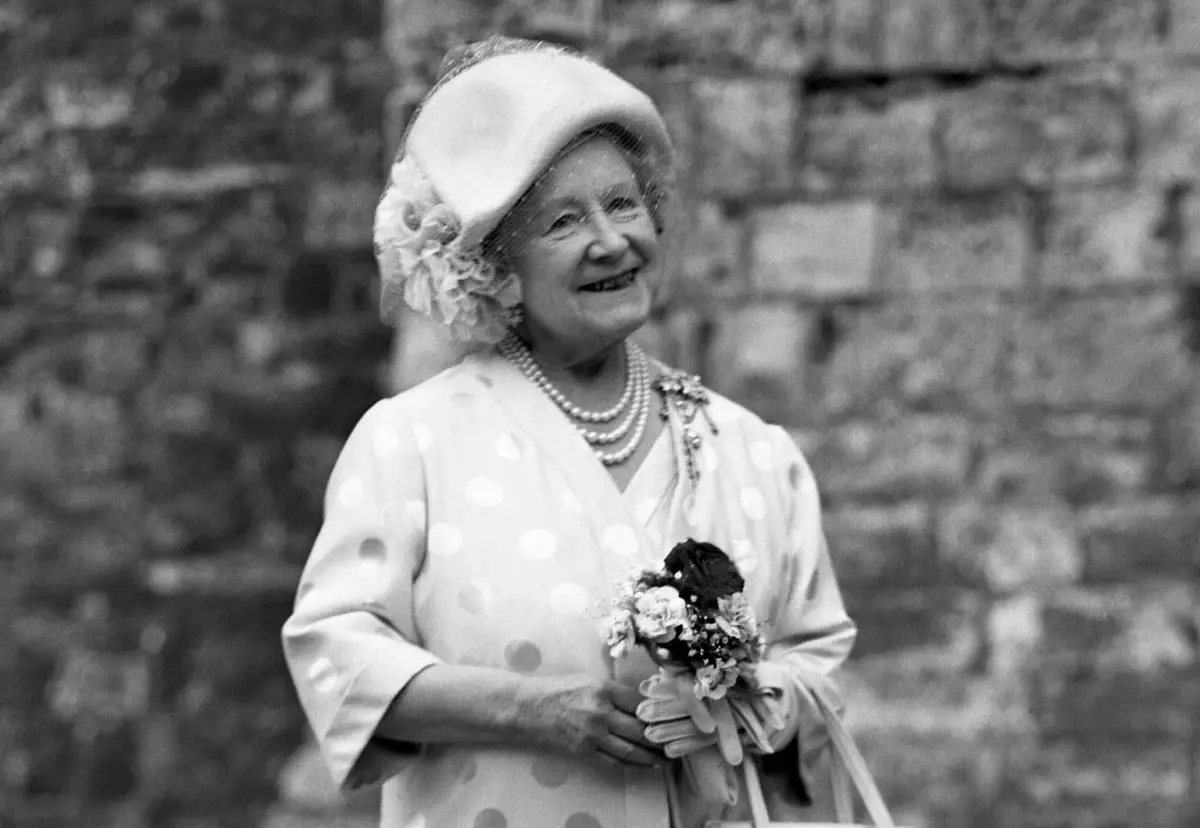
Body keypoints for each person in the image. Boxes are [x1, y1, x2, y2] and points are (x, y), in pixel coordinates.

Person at [282, 35, 856, 828]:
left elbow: (819, 665)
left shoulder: (755, 453)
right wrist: (536, 711)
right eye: (564, 221)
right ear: (496, 267)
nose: (612, 241)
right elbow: (337, 656)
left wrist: (739, 697)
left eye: (624, 204)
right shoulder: (413, 443)